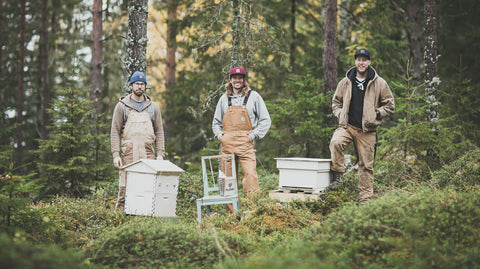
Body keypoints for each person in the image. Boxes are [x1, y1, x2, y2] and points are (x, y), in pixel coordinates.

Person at [329, 48, 394, 203]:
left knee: (366, 165)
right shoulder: (345, 82)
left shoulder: (379, 83)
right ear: (355, 61)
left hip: (367, 130)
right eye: (359, 59)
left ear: (369, 62)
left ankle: (364, 199)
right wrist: (341, 114)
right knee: (335, 142)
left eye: (365, 60)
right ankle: (338, 176)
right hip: (347, 126)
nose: (361, 62)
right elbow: (335, 103)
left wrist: (377, 113)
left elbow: (390, 105)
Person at [212, 67, 271, 212]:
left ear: (244, 80)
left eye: (240, 78)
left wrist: (253, 135)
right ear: (230, 80)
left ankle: (252, 212)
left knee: (250, 176)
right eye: (234, 77)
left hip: (246, 143)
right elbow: (216, 123)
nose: (237, 80)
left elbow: (265, 120)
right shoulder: (223, 99)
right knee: (227, 179)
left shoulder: (254, 96)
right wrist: (221, 137)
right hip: (227, 144)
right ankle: (232, 215)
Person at [110, 71, 165, 211]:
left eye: (142, 84)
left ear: (145, 86)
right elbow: (115, 132)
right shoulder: (121, 106)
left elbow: (159, 132)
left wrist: (160, 154)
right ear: (131, 85)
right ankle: (120, 220)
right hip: (128, 153)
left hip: (148, 153)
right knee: (125, 188)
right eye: (137, 84)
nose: (139, 86)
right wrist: (116, 155)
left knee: (149, 189)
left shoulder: (153, 107)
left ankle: (147, 219)